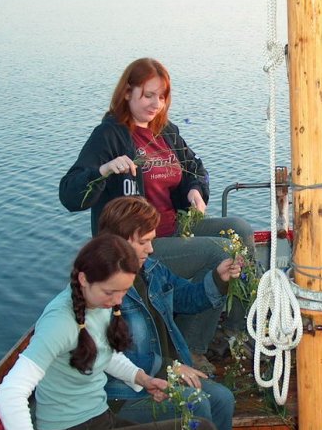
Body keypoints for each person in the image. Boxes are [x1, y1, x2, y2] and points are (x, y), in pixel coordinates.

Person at [0, 234, 253, 430]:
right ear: (83, 279)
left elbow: (104, 354)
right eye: (110, 293)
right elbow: (8, 394)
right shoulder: (60, 322)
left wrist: (142, 378)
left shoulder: (97, 302)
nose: (117, 301)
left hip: (101, 424)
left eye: (123, 291)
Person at [58, 57, 254, 375]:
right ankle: (191, 348)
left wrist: (194, 191)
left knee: (240, 229)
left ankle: (236, 331)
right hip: (137, 247)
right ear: (127, 92)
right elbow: (69, 194)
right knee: (218, 251)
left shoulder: (166, 132)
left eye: (161, 96)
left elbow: (195, 169)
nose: (156, 104)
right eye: (148, 95)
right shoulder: (109, 136)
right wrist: (103, 171)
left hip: (175, 227)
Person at [98, 196, 236, 430]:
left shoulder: (151, 270)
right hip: (124, 394)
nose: (151, 249)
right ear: (119, 242)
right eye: (143, 242)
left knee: (223, 399)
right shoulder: (102, 289)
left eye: (151, 240)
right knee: (196, 403)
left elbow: (187, 298)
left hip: (165, 376)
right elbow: (107, 357)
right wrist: (169, 368)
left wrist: (218, 279)